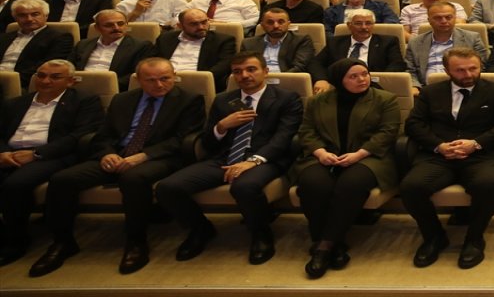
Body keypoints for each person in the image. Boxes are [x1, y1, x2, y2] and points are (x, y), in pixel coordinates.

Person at [29, 57, 204, 277]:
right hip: (116, 154)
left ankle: (136, 241)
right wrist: (107, 153)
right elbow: (104, 135)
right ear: (138, 79)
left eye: (165, 78)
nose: (159, 85)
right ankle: (62, 242)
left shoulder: (189, 100)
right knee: (62, 179)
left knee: (133, 179)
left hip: (159, 157)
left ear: (174, 76)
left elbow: (181, 139)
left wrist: (144, 156)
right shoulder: (122, 99)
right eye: (151, 80)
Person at [154, 52, 303, 265]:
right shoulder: (224, 100)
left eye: (251, 69)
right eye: (237, 72)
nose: (244, 75)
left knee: (244, 186)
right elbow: (208, 143)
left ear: (265, 71)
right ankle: (200, 229)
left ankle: (260, 233)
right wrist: (221, 127)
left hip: (266, 159)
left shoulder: (286, 98)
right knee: (167, 187)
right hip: (224, 158)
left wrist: (253, 161)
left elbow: (284, 138)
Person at [401, 47, 494, 269]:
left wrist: (476, 143)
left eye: (473, 69)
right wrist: (439, 146)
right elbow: (414, 124)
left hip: (480, 155)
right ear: (447, 70)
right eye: (460, 70)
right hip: (439, 155)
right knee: (411, 187)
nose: (468, 75)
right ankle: (434, 236)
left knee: (486, 185)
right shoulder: (430, 92)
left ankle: (474, 239)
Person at [292, 58, 401, 279]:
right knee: (312, 184)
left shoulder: (385, 99)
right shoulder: (317, 101)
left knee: (350, 184)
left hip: (369, 157)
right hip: (325, 155)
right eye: (353, 76)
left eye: (364, 74)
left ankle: (323, 246)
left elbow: (387, 133)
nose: (362, 79)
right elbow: (306, 131)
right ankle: (336, 243)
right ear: (338, 80)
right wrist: (320, 153)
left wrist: (359, 154)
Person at [0, 60, 104, 265]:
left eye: (55, 77)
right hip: (10, 153)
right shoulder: (16, 103)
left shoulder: (84, 101)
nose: (46, 81)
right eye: (41, 75)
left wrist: (36, 154)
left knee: (15, 184)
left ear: (71, 81)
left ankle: (16, 241)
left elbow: (79, 135)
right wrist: (3, 152)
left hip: (52, 155)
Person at [311, 9, 408, 94]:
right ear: (349, 25)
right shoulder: (335, 42)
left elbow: (397, 64)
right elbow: (316, 63)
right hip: (338, 87)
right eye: (358, 23)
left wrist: (373, 80)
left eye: (368, 23)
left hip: (372, 88)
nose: (364, 27)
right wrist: (321, 79)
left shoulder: (387, 42)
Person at [70, 10, 157, 90]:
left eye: (120, 24)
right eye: (109, 25)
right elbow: (70, 68)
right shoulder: (83, 44)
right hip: (78, 87)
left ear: (127, 25)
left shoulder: (141, 46)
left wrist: (107, 84)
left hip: (114, 89)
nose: (116, 28)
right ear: (97, 28)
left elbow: (138, 74)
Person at [0, 0, 75, 88]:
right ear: (15, 18)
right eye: (22, 15)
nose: (29, 19)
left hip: (22, 84)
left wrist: (9, 80)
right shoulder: (3, 37)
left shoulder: (60, 38)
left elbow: (48, 68)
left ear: (46, 16)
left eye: (35, 14)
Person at [242, 8, 317, 74]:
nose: (276, 26)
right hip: (256, 81)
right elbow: (243, 66)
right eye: (270, 22)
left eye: (281, 22)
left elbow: (299, 67)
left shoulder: (301, 40)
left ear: (288, 24)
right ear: (262, 25)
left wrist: (281, 78)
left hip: (288, 80)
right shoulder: (248, 43)